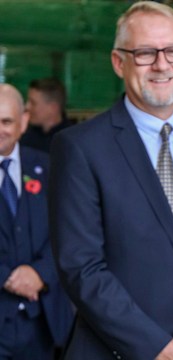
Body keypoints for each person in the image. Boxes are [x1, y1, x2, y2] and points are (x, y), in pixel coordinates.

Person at [49, 2, 173, 359]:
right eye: (145, 53)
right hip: (118, 350)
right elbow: (81, 267)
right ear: (118, 62)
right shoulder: (80, 147)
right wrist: (159, 347)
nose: (162, 65)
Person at [0, 84, 73, 359]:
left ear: (23, 122)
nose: (0, 130)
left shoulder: (50, 168)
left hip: (45, 324)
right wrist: (8, 277)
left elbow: (72, 232)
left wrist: (42, 273)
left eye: (6, 121)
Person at [21, 78, 73, 153]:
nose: (27, 107)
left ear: (53, 108)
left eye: (33, 103)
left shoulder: (71, 140)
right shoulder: (24, 136)